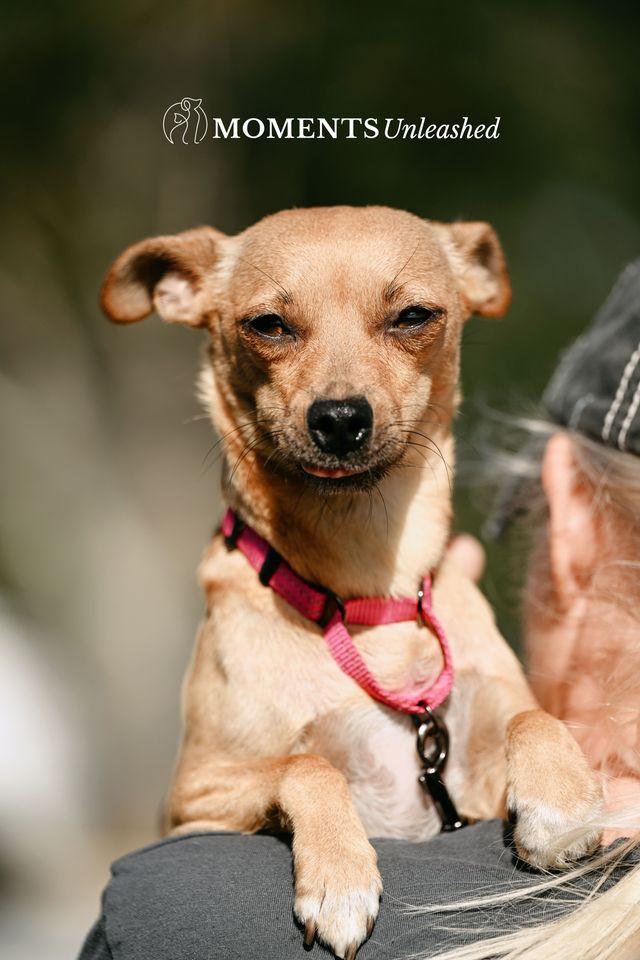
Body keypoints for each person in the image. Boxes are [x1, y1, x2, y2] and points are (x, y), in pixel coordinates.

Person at [78, 260, 640, 960]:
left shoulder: (171, 918)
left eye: (409, 320)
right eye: (272, 328)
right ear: (187, 292)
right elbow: (200, 804)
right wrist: (305, 789)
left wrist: (535, 735)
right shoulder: (253, 618)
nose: (341, 398)